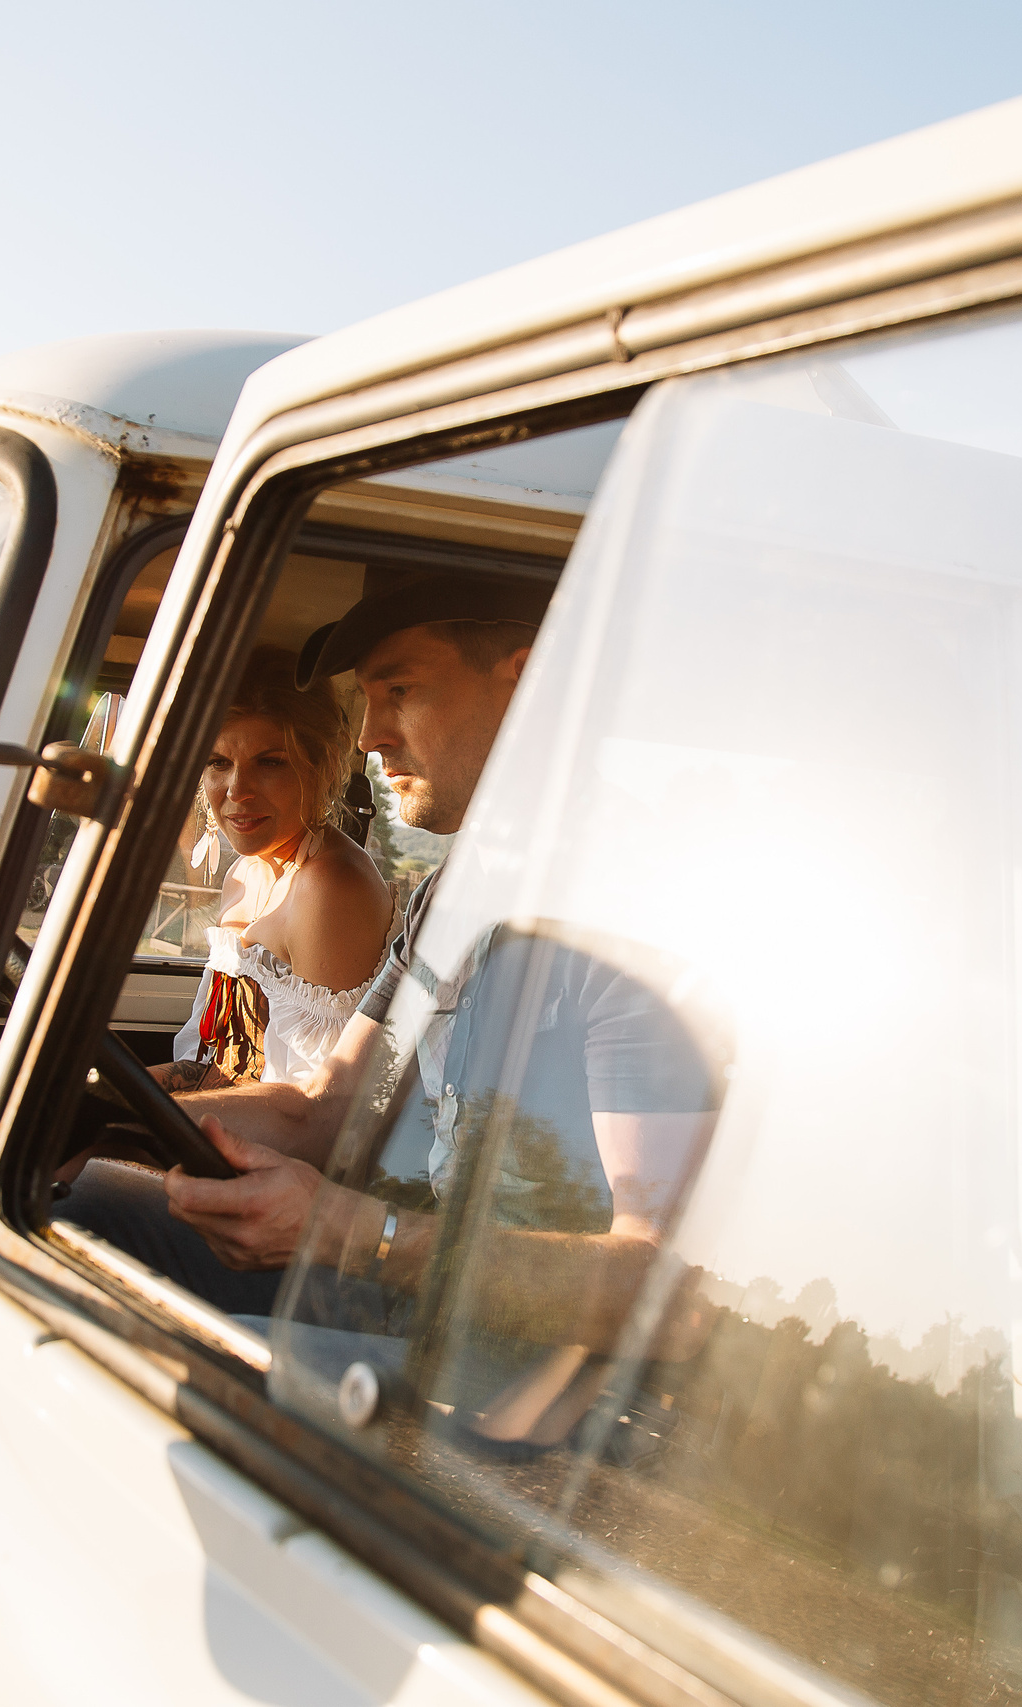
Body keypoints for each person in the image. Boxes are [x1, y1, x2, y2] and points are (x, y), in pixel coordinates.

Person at [57, 577, 722, 1433]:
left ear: (523, 681)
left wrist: (353, 1233)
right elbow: (330, 1107)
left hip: (513, 1371)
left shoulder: (636, 907)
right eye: (366, 700)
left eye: (399, 689)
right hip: (401, 1289)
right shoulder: (454, 893)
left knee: (126, 1353)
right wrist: (84, 1106)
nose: (369, 735)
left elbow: (665, 1290)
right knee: (90, 1204)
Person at [160, 647, 393, 1091]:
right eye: (218, 763)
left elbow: (312, 1106)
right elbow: (218, 1066)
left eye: (270, 763)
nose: (237, 790)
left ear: (321, 767)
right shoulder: (243, 875)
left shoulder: (328, 887)